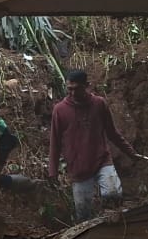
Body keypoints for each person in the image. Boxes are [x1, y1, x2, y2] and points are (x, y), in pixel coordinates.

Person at [47, 68, 137, 222]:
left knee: (113, 193)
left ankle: (113, 226)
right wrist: (52, 171)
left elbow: (112, 132)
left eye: (77, 89)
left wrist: (130, 151)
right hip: (78, 167)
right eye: (69, 89)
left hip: (101, 159)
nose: (73, 93)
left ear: (86, 85)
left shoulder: (99, 104)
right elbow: (54, 142)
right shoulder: (60, 110)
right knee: (83, 214)